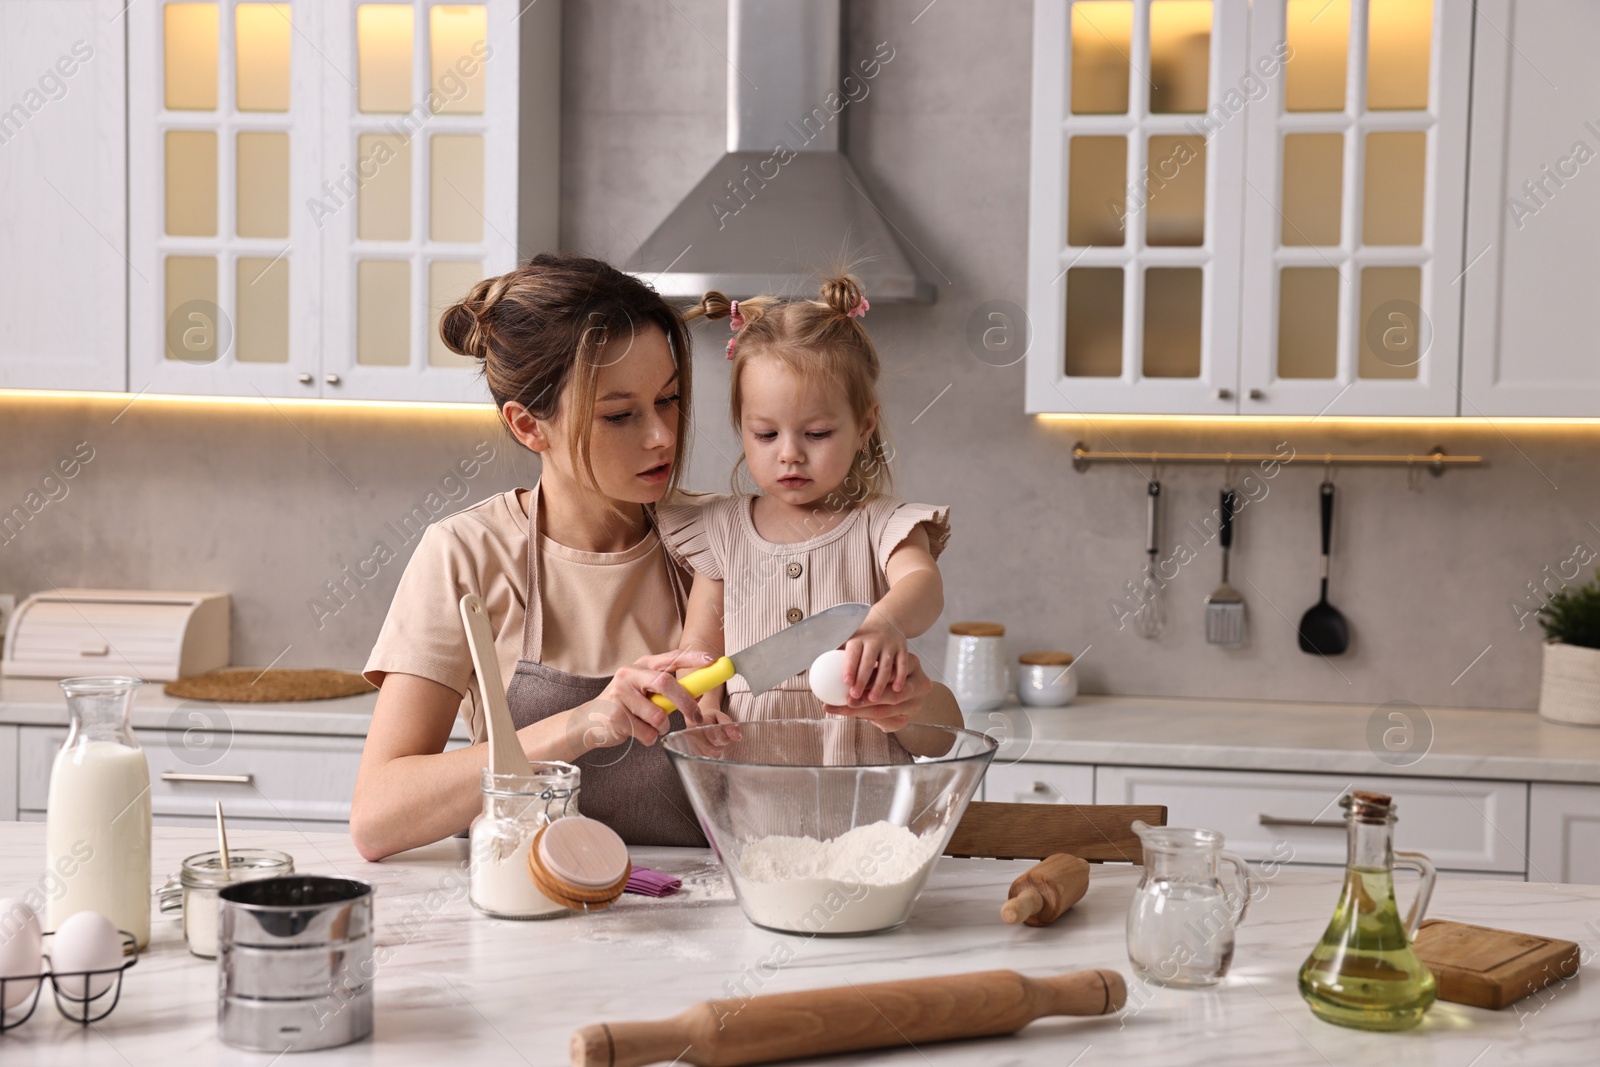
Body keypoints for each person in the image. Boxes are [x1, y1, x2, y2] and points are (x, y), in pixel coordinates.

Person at [349, 254, 938, 861]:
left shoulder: (734, 540)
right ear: (529, 427)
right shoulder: (468, 555)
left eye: (670, 399)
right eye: (620, 415)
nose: (661, 436)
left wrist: (905, 703)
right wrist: (580, 725)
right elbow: (378, 818)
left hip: (706, 912)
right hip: (531, 908)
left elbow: (911, 719)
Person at [658, 273, 961, 741]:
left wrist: (883, 623)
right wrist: (706, 707)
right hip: (752, 792)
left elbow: (924, 584)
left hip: (861, 790)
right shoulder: (720, 532)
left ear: (864, 426)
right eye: (765, 434)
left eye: (816, 434)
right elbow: (700, 645)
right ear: (742, 427)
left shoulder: (883, 526)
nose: (790, 454)